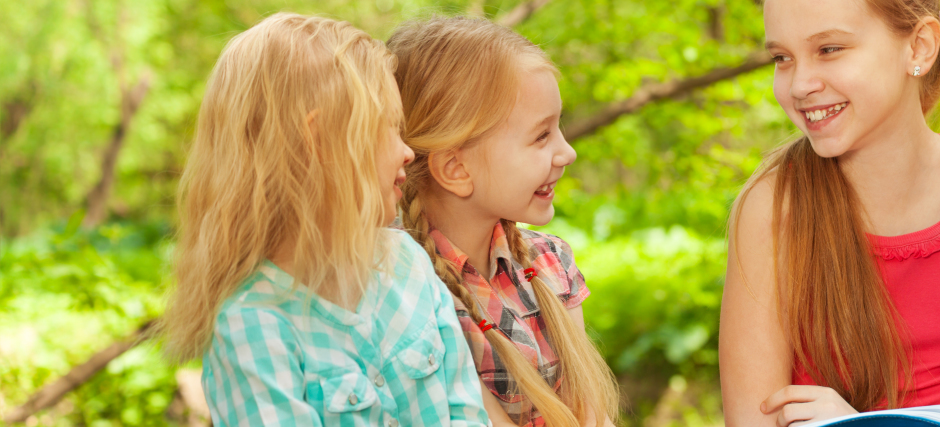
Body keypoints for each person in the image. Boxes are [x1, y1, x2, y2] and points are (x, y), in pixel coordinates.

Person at [720, 0, 940, 424]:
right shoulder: (773, 209)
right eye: (782, 58)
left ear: (920, 47)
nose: (800, 84)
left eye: (829, 49)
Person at [162, 13, 488, 426]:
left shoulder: (408, 263)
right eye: (389, 126)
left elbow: (467, 413)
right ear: (320, 140)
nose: (407, 151)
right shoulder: (255, 327)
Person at [387, 17, 621, 427]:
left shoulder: (551, 262)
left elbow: (592, 414)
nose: (567, 152)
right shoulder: (405, 289)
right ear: (457, 169)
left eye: (558, 127)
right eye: (541, 136)